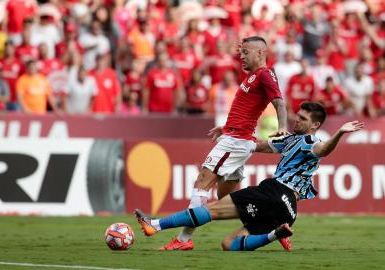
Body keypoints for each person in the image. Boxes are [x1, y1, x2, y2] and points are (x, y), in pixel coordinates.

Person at [135, 102, 364, 251]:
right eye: (298, 116)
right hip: (289, 210)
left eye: (303, 119)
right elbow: (255, 146)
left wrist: (340, 133)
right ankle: (276, 234)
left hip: (274, 191)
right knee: (229, 244)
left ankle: (154, 225)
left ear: (315, 125)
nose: (297, 120)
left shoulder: (310, 141)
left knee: (210, 211)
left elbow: (322, 150)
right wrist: (228, 131)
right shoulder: (289, 140)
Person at [157, 36, 289, 251]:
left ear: (260, 53)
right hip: (233, 136)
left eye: (246, 52)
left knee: (202, 182)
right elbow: (245, 109)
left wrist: (282, 126)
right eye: (241, 53)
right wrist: (226, 127)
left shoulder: (265, 74)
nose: (242, 57)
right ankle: (270, 226)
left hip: (235, 141)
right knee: (224, 197)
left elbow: (280, 103)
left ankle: (183, 239)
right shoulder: (253, 76)